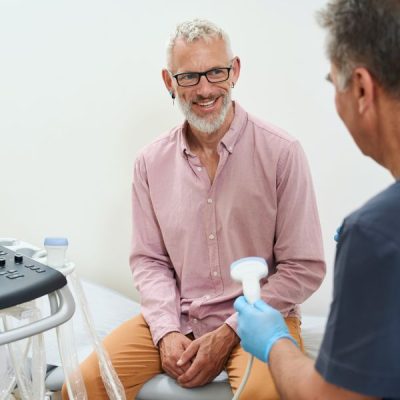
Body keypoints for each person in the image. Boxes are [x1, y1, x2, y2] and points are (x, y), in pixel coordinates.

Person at [62, 19, 325, 400]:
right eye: (188, 77)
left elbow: (304, 266)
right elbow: (149, 260)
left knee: (265, 394)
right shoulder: (150, 162)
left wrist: (231, 330)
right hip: (180, 317)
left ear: (234, 71)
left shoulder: (282, 152)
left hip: (262, 317)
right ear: (169, 82)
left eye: (215, 72)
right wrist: (166, 330)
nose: (204, 89)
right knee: (80, 386)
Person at [234, 1, 400, 399]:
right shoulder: (151, 161)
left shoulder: (375, 234)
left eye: (333, 82)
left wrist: (274, 341)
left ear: (360, 88)